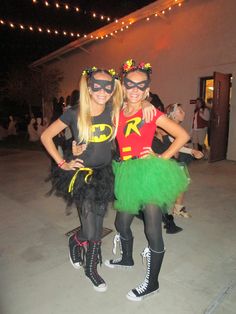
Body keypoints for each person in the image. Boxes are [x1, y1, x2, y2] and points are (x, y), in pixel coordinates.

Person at [104, 59, 190, 301]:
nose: (135, 89)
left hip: (149, 173)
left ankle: (152, 283)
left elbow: (181, 135)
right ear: (123, 85)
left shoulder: (150, 111)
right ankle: (127, 258)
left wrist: (162, 157)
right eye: (130, 84)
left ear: (147, 89)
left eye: (141, 86)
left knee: (153, 229)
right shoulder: (117, 113)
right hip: (126, 173)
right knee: (122, 224)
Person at [41, 67, 123, 292]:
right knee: (89, 229)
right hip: (82, 175)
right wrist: (62, 161)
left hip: (104, 174)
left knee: (97, 223)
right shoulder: (74, 113)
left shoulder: (114, 110)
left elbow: (135, 106)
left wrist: (145, 104)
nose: (103, 91)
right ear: (88, 86)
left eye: (108, 87)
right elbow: (46, 136)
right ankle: (76, 243)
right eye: (97, 85)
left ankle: (90, 266)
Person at [154, 103, 203, 218]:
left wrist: (191, 150)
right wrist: (192, 151)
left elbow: (177, 144)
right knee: (163, 187)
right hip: (161, 158)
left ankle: (178, 209)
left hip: (171, 158)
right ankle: (154, 211)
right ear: (173, 115)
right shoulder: (169, 125)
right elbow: (175, 145)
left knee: (182, 182)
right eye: (180, 111)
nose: (184, 113)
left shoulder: (173, 125)